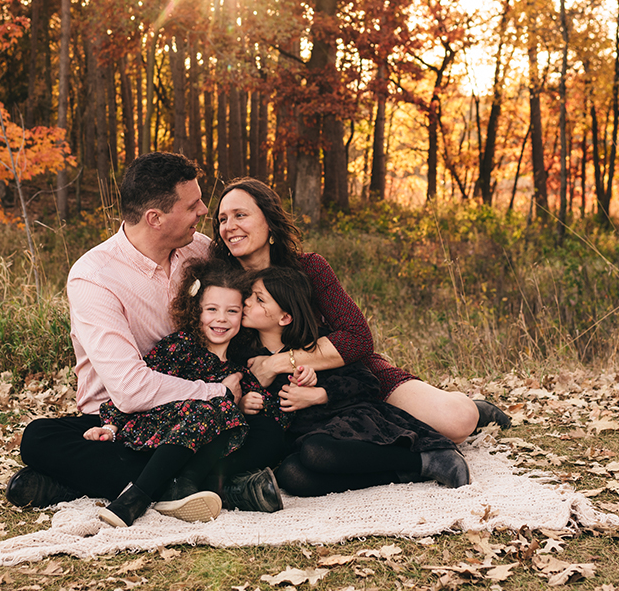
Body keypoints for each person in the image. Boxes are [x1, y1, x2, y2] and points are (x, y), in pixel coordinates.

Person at [8, 152, 281, 515]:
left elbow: (259, 289)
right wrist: (216, 392)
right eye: (192, 204)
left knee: (272, 430)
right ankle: (212, 485)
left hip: (202, 419)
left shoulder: (200, 252)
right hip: (122, 419)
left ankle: (77, 483)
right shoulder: (94, 277)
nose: (204, 211)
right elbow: (130, 389)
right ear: (155, 218)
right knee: (39, 438)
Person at [212, 177, 511, 444]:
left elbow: (357, 338)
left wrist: (278, 364)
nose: (230, 226)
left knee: (455, 422)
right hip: (276, 399)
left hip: (348, 375)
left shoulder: (310, 267)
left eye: (241, 215)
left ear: (269, 222)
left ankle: (472, 407)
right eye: (223, 219)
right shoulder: (221, 287)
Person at [235, 265, 470, 495]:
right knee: (292, 475)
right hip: (305, 438)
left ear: (285, 317)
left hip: (350, 426)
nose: (246, 302)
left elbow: (367, 383)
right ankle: (405, 472)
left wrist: (319, 394)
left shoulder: (314, 345)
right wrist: (244, 403)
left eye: (260, 300)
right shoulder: (245, 356)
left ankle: (427, 459)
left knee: (317, 450)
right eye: (249, 296)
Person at [86, 259, 287, 527]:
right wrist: (110, 425)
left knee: (253, 424)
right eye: (212, 309)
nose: (221, 319)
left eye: (232, 311)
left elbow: (276, 418)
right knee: (213, 406)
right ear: (197, 310)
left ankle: (183, 486)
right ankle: (138, 497)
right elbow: (134, 389)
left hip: (197, 448)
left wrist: (252, 405)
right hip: (157, 431)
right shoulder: (180, 346)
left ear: (242, 315)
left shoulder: (238, 368)